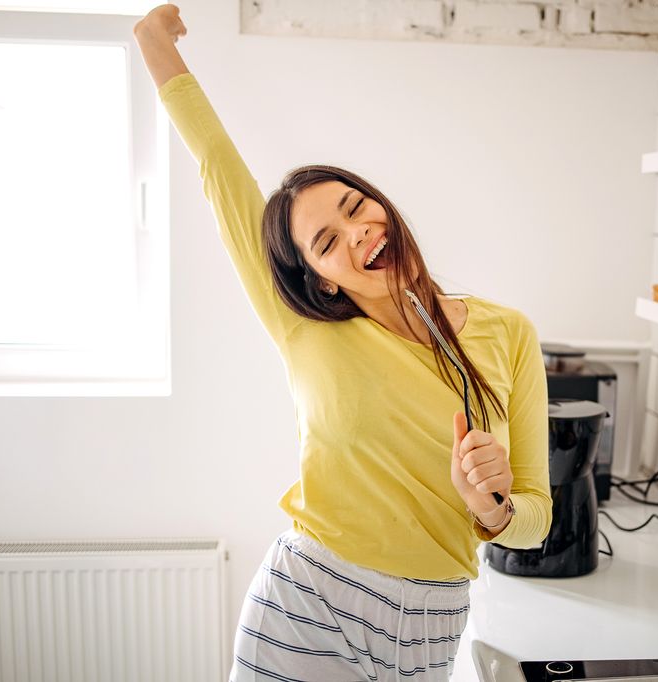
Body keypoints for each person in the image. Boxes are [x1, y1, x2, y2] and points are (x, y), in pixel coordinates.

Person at [133, 5, 551, 680]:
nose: (355, 232)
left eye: (356, 208)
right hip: (307, 607)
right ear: (321, 280)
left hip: (434, 626)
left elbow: (538, 520)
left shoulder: (509, 333)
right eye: (326, 241)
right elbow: (219, 167)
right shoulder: (307, 331)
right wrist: (155, 46)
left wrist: (494, 509)